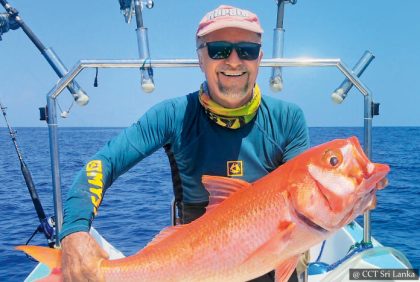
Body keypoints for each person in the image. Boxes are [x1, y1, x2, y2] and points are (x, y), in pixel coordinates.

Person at [60, 5, 311, 281]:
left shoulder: (288, 118)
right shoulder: (174, 115)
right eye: (219, 50)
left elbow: (304, 200)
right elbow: (103, 163)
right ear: (201, 58)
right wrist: (74, 230)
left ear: (260, 58)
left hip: (269, 264)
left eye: (247, 50)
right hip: (193, 266)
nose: (234, 61)